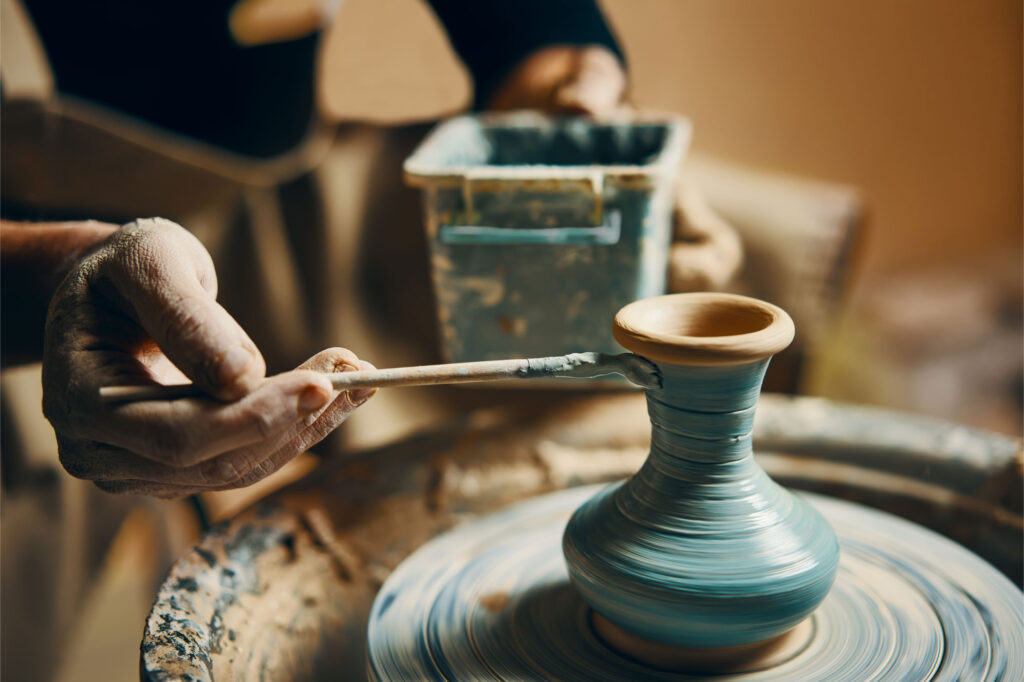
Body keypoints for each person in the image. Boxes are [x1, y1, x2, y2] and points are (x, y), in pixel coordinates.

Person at [3, 0, 630, 496]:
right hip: (31, 230)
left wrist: (557, 95)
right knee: (41, 475)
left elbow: (527, 28)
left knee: (675, 282)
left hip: (269, 181)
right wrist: (53, 274)